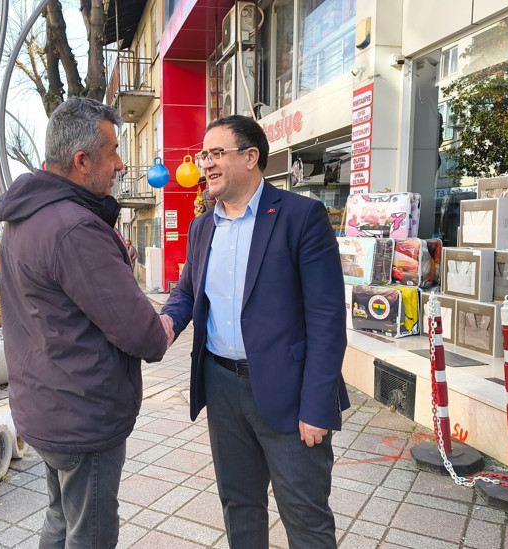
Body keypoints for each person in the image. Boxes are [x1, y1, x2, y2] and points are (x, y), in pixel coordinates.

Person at [160, 115, 349, 548]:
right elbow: (187, 292)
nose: (205, 163)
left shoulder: (301, 216)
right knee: (239, 505)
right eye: (203, 154)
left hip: (288, 393)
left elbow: (326, 319)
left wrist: (317, 406)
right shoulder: (202, 225)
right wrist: (165, 324)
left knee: (305, 516)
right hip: (222, 386)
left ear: (251, 157)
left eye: (216, 153)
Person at [0, 96, 169, 548]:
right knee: (90, 533)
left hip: (46, 407)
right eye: (112, 152)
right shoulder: (75, 228)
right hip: (83, 415)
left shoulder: (24, 219)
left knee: (59, 518)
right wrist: (165, 327)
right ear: (81, 160)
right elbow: (141, 333)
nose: (120, 163)